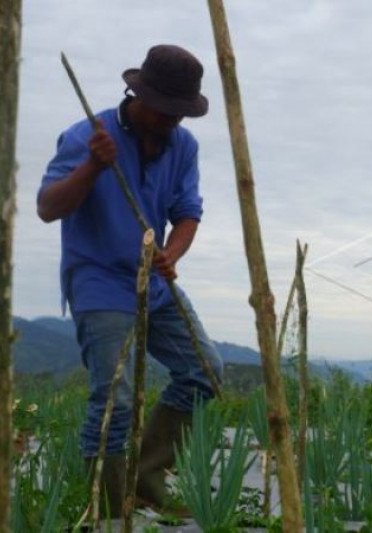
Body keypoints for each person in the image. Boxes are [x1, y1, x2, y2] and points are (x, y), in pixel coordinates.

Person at [37, 44, 224, 517]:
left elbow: (186, 213)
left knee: (204, 371)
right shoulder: (86, 137)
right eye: (165, 111)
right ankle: (109, 506)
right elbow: (47, 207)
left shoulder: (183, 145)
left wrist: (171, 255)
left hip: (152, 282)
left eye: (180, 114)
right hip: (99, 282)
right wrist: (94, 167)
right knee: (114, 398)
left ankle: (145, 477)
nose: (171, 122)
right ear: (137, 95)